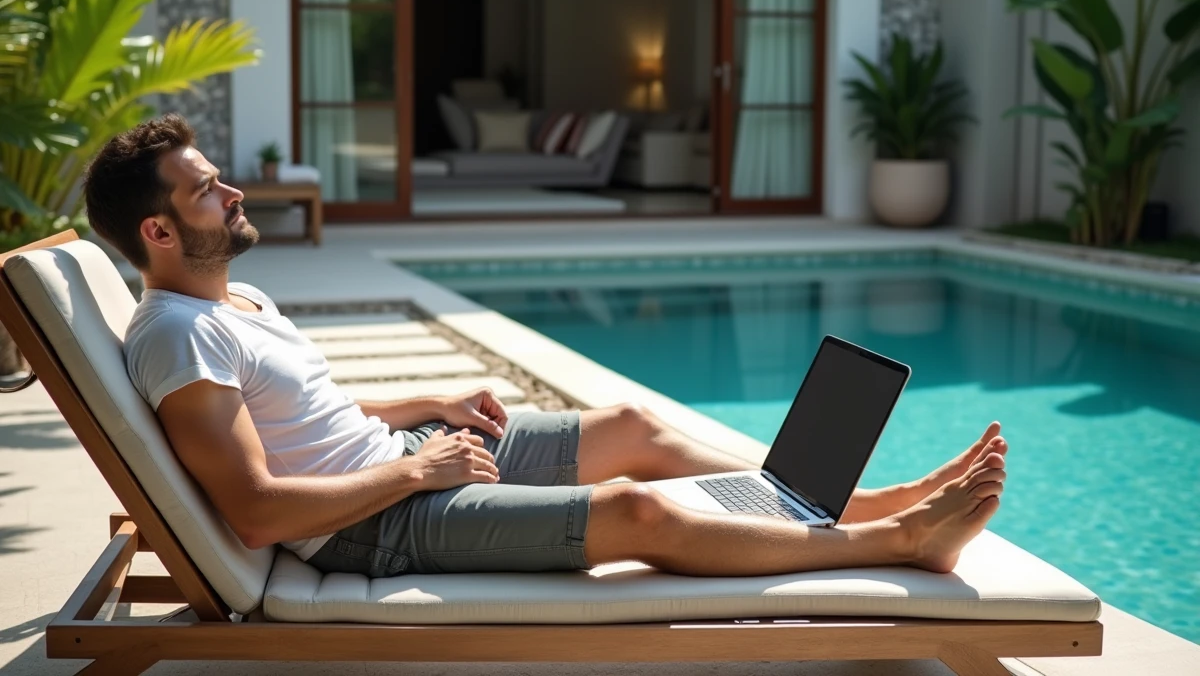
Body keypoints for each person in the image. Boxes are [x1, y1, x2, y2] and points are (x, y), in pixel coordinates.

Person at [84, 115, 1007, 580]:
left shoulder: (233, 297)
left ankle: (840, 500)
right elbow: (255, 513)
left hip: (400, 464)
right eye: (207, 191)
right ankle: (896, 539)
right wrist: (418, 473)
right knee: (632, 511)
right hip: (372, 524)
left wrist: (428, 413)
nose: (235, 192)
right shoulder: (178, 337)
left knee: (632, 424)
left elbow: (303, 418)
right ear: (159, 233)